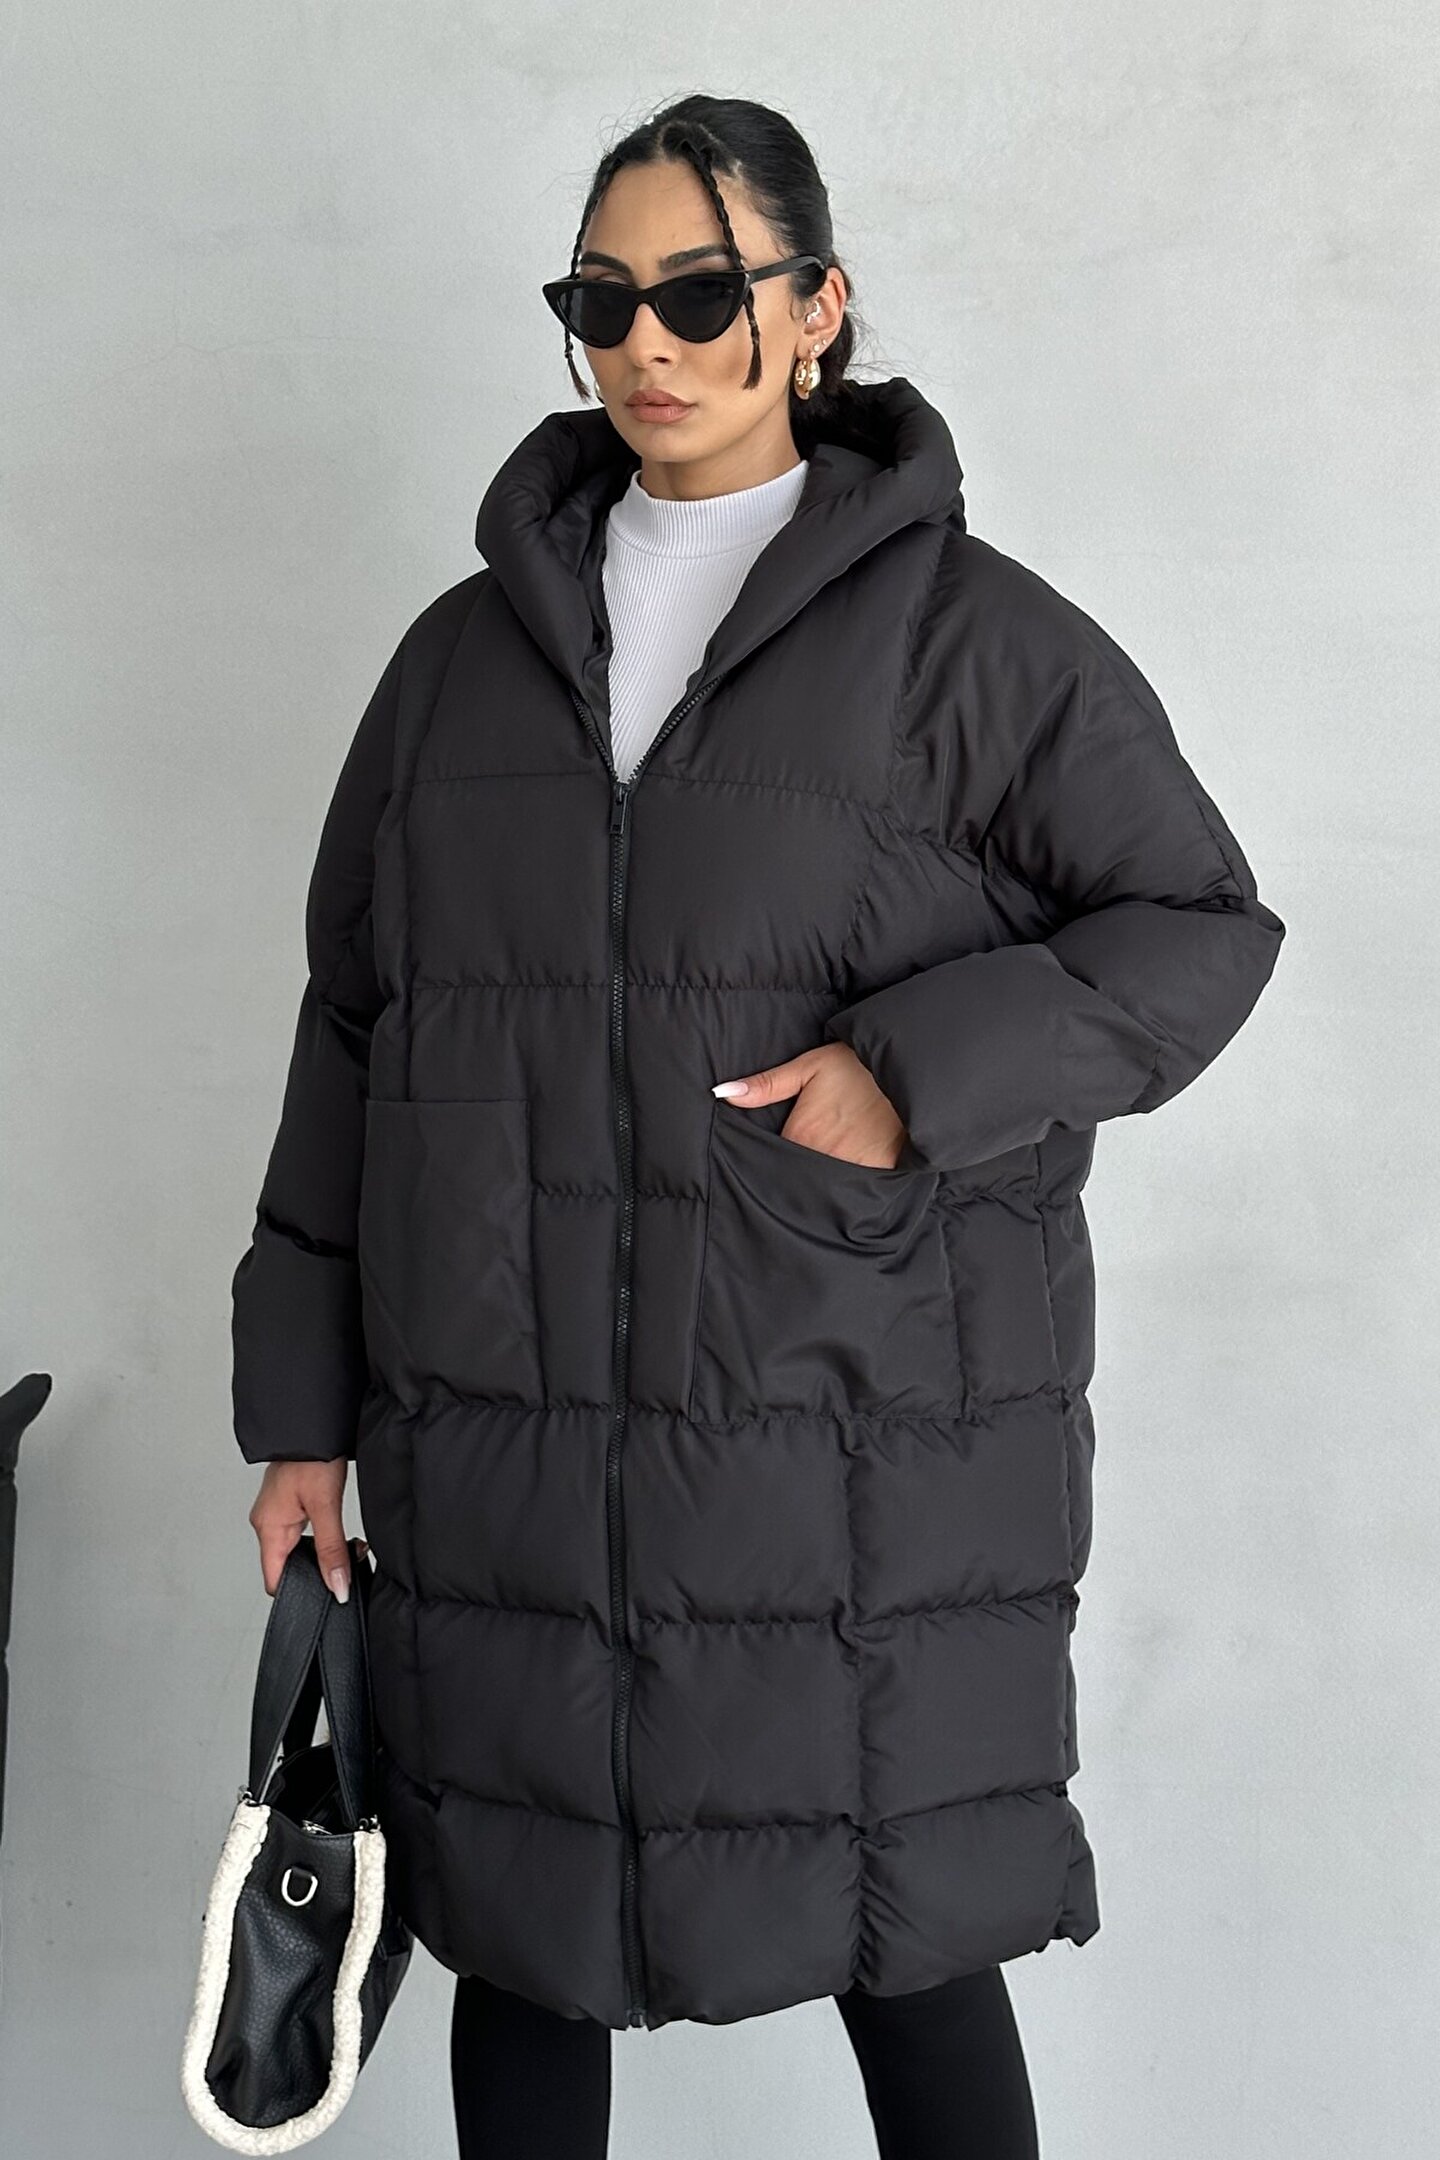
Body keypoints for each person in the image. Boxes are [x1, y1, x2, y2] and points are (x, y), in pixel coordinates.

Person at [233, 93, 1285, 2159]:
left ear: (816, 309)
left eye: (702, 295)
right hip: (510, 1454)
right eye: (601, 302)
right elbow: (354, 1033)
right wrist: (300, 1418)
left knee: (909, 1937)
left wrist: (917, 1074)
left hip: (854, 1462)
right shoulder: (455, 671)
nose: (649, 344)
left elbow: (1198, 926)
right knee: (521, 1938)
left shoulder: (971, 643)